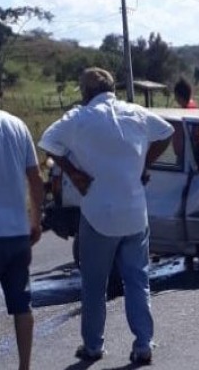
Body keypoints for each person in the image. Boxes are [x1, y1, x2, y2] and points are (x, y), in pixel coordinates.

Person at [38, 67, 174, 364]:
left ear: (86, 93)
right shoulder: (135, 112)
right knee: (138, 280)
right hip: (135, 213)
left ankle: (93, 346)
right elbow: (167, 132)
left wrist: (73, 173)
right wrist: (142, 165)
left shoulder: (80, 118)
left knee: (94, 284)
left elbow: (47, 142)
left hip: (99, 213)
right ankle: (143, 344)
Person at [0, 69, 43, 370]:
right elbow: (35, 178)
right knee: (22, 304)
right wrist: (36, 219)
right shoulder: (17, 126)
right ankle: (24, 366)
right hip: (17, 232)